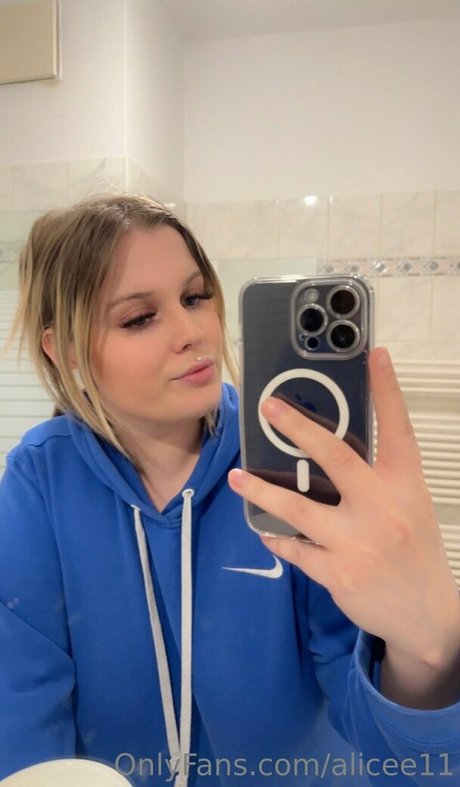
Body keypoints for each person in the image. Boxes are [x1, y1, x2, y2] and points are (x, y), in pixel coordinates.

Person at [0, 194, 459, 787]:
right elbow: (22, 709)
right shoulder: (39, 482)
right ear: (63, 351)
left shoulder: (292, 469)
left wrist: (427, 657)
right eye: (139, 318)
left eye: (195, 297)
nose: (192, 332)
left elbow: (393, 751)